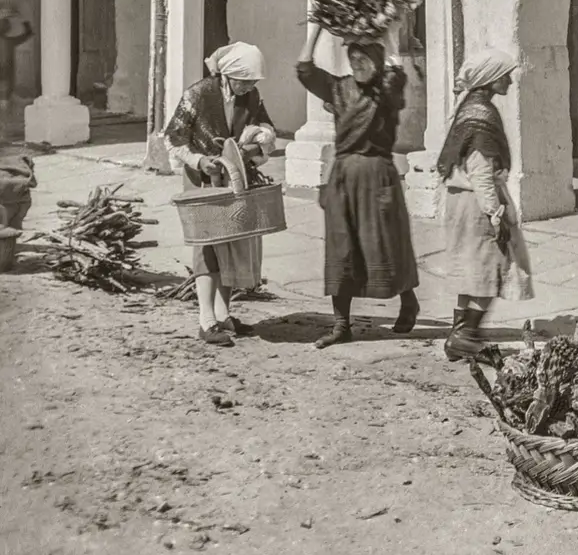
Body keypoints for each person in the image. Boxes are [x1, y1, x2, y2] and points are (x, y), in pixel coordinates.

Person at [296, 22, 419, 349]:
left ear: (377, 61)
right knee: (341, 247)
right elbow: (305, 69)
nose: (359, 64)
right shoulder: (338, 89)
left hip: (377, 175)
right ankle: (341, 324)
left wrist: (389, 28)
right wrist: (319, 28)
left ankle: (409, 302)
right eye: (354, 59)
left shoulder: (387, 89)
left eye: (365, 58)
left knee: (386, 244)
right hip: (343, 178)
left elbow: (396, 67)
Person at [166, 42, 277, 347]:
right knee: (207, 245)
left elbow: (266, 127)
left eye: (254, 81)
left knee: (231, 243)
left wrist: (258, 138)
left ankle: (223, 314)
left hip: (234, 178)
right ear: (228, 75)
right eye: (245, 80)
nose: (250, 86)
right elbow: (174, 137)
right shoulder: (198, 94)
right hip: (203, 179)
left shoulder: (250, 96)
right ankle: (205, 320)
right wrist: (200, 161)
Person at [435, 49, 534, 361]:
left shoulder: (468, 107)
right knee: (491, 270)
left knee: (472, 272)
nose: (509, 81)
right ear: (491, 79)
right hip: (477, 203)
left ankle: (458, 336)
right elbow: (480, 172)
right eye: (504, 75)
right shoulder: (483, 116)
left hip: (459, 202)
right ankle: (464, 338)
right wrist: (496, 215)